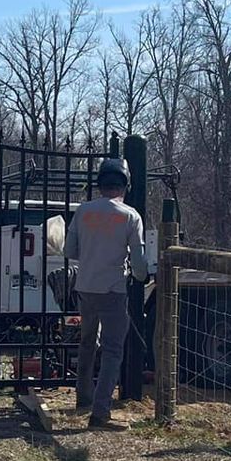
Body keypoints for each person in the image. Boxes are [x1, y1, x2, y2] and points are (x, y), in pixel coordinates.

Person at [63, 157, 149, 429]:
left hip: (85, 287)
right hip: (113, 290)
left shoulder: (83, 211)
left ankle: (83, 398)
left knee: (87, 343)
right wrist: (141, 275)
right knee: (113, 350)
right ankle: (100, 413)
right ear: (126, 185)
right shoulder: (130, 216)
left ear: (99, 184)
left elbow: (69, 251)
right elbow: (138, 264)